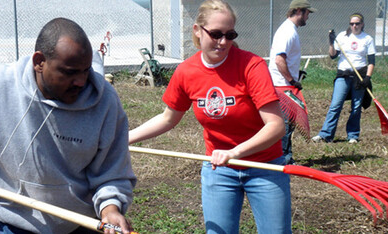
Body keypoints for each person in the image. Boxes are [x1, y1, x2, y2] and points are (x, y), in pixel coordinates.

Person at [129, 0, 291, 233]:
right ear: (197, 30)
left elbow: (276, 126)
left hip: (265, 166)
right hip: (219, 170)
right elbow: (167, 118)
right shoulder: (186, 71)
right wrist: (125, 138)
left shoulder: (251, 65)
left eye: (230, 34)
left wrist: (234, 152)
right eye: (216, 34)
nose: (223, 42)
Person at [0, 18, 136, 234]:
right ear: (39, 61)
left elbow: (112, 171)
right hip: (17, 221)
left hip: (81, 222)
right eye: (69, 72)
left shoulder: (105, 102)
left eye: (85, 71)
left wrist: (110, 209)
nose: (81, 81)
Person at [312, 13, 375, 143]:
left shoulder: (367, 39)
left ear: (362, 24)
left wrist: (367, 78)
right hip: (343, 75)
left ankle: (353, 135)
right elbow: (333, 55)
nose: (354, 26)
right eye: (352, 24)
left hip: (359, 76)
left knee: (356, 107)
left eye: (357, 23)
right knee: (335, 104)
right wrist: (331, 42)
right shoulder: (342, 36)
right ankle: (325, 134)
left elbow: (371, 61)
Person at [268, 0, 316, 164]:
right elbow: (279, 60)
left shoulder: (290, 30)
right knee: (286, 124)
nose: (308, 17)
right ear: (298, 11)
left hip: (284, 83)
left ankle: (283, 157)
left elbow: (285, 59)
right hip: (282, 85)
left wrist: (295, 73)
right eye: (307, 13)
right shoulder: (287, 31)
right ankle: (282, 159)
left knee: (288, 123)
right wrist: (291, 80)